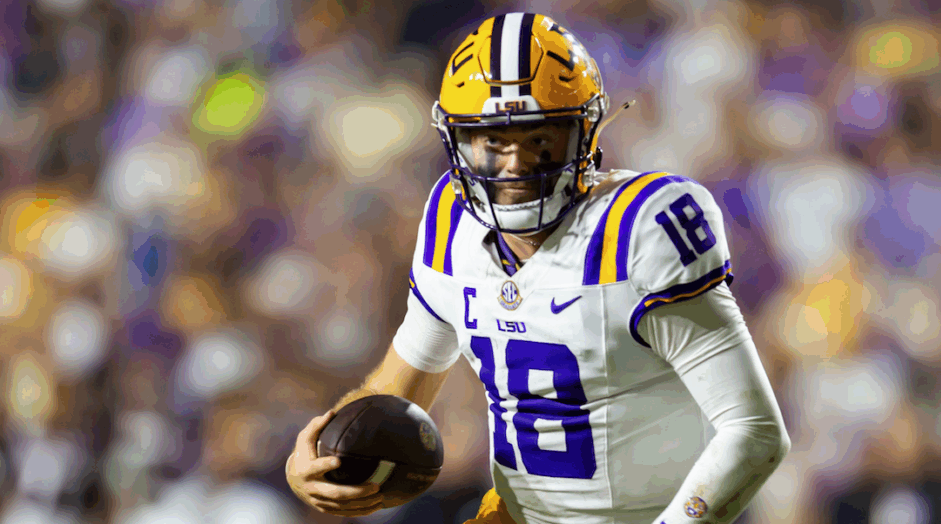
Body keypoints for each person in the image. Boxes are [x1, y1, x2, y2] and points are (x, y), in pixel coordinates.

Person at [286, 12, 791, 524]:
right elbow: (397, 385)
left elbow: (754, 432)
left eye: (539, 139)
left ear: (585, 134)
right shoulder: (450, 219)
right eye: (493, 141)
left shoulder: (640, 227)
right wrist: (316, 455)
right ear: (457, 141)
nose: (515, 165)